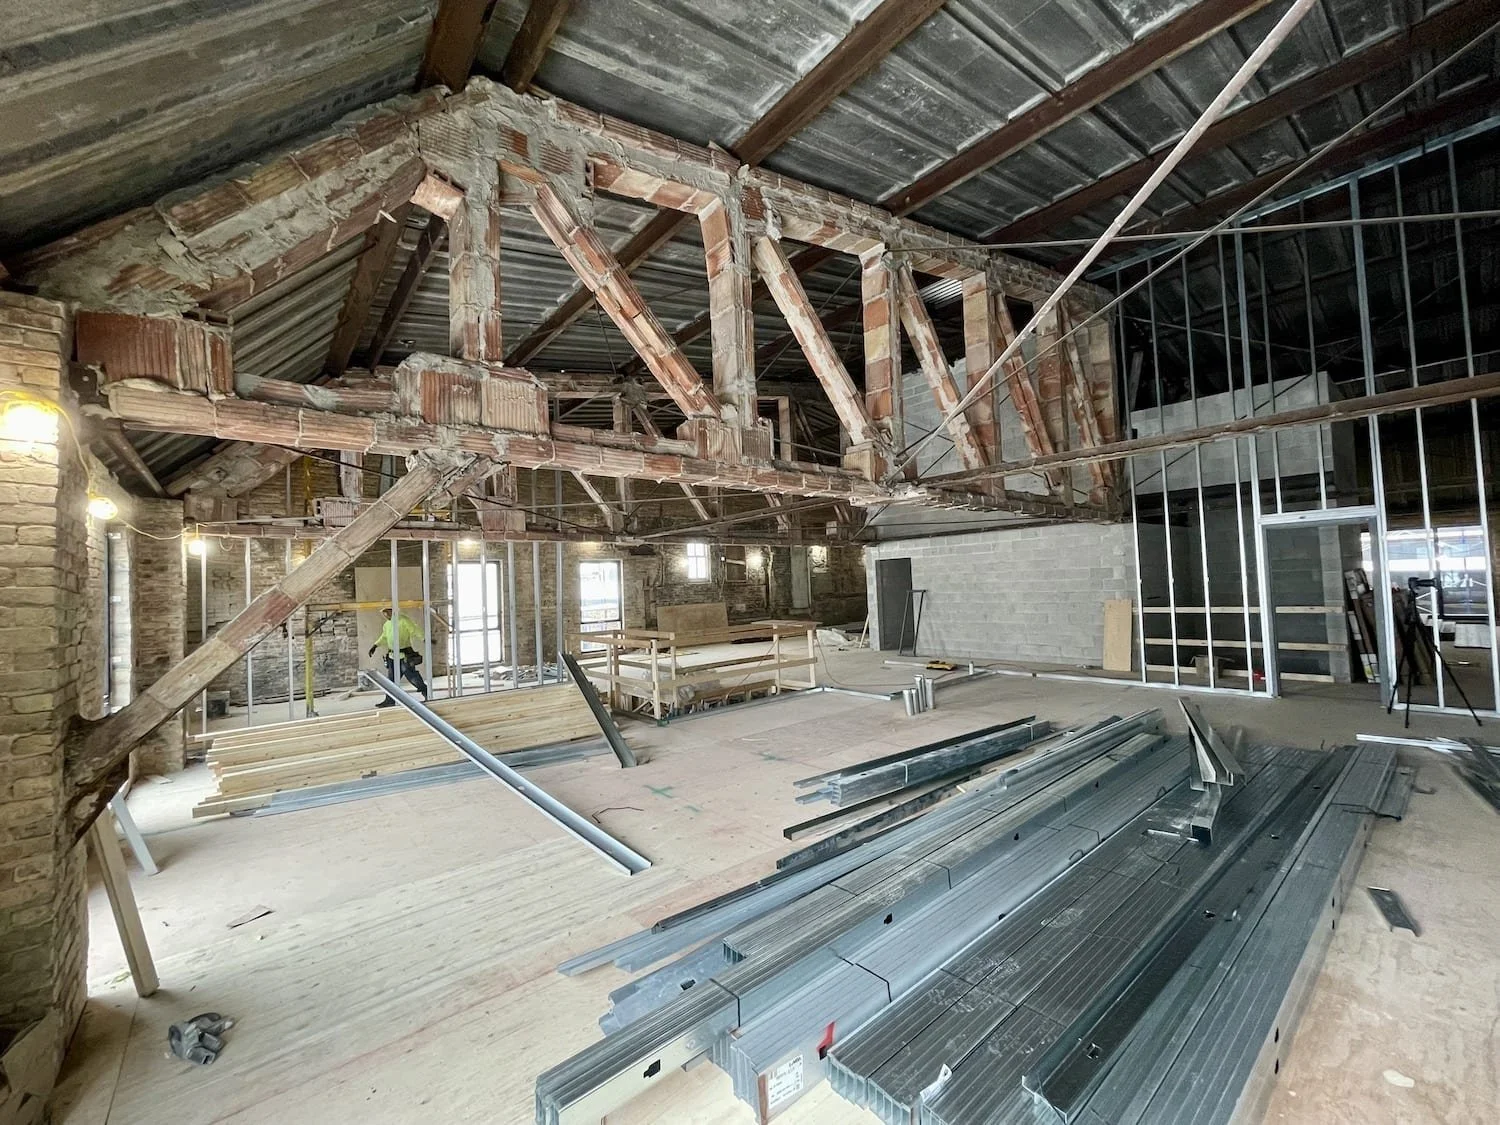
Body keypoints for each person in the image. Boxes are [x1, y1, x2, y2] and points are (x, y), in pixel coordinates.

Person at [369, 607, 429, 706]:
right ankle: (390, 700)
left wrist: (424, 639)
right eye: (383, 613)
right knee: (391, 680)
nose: (385, 615)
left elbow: (414, 629)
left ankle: (426, 692)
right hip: (392, 657)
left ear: (392, 611)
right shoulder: (387, 625)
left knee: (412, 677)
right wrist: (375, 645)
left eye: (386, 612)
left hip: (404, 656)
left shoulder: (403, 620)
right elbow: (384, 637)